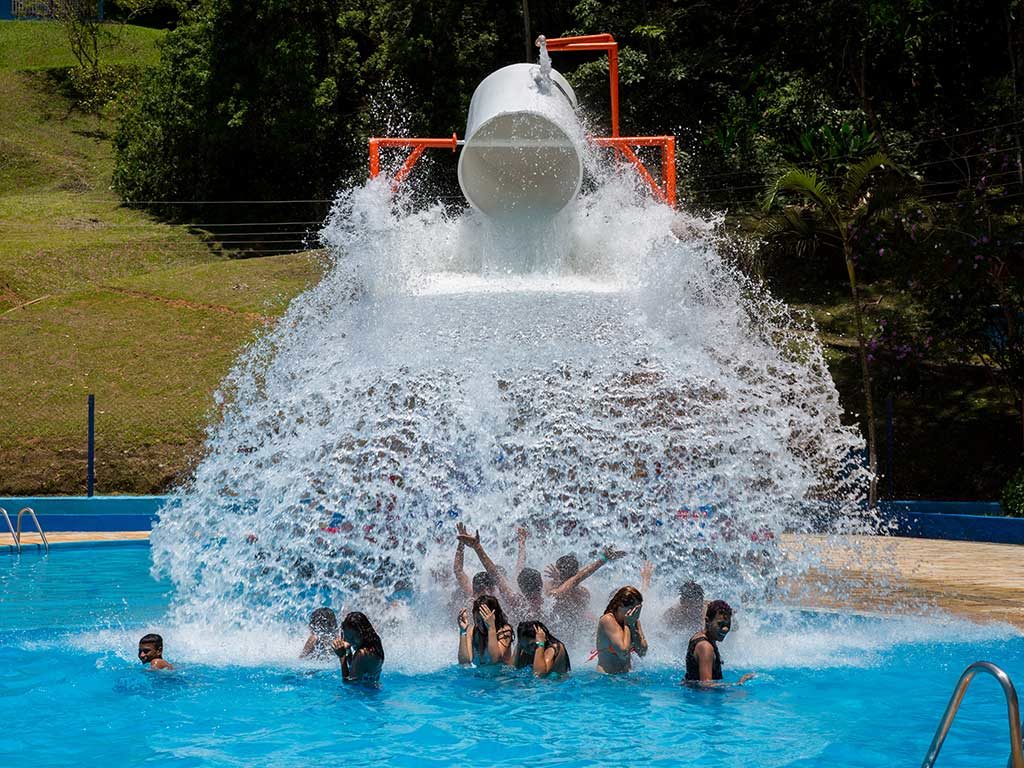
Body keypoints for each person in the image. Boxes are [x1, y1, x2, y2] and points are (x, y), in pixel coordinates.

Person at [546, 547, 626, 636]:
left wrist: (560, 580)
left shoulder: (553, 591)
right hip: (577, 631)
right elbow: (577, 578)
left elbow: (576, 579)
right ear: (576, 571)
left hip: (561, 630)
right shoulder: (583, 593)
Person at [683, 599, 754, 686]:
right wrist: (738, 683)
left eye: (728, 625)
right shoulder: (705, 647)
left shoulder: (702, 636)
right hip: (699, 697)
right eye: (720, 624)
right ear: (707, 621)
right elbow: (706, 686)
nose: (725, 629)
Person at [594, 586, 648, 674]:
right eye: (634, 609)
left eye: (638, 609)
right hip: (606, 678)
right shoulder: (607, 620)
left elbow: (642, 652)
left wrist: (633, 627)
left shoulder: (634, 621)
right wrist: (628, 625)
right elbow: (623, 652)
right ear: (621, 606)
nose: (636, 613)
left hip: (626, 676)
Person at [457, 594, 514, 667]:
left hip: (501, 676)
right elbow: (464, 661)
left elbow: (494, 659)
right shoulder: (472, 631)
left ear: (493, 616)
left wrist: (491, 627)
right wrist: (463, 632)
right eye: (478, 620)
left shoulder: (504, 631)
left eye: (483, 620)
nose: (479, 624)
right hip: (480, 676)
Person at [332, 611, 385, 684]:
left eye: (353, 638)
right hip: (373, 689)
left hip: (363, 693)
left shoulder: (362, 654)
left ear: (363, 633)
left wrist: (342, 656)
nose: (349, 641)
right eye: (347, 637)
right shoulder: (375, 642)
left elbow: (349, 683)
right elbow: (356, 668)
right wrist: (348, 650)